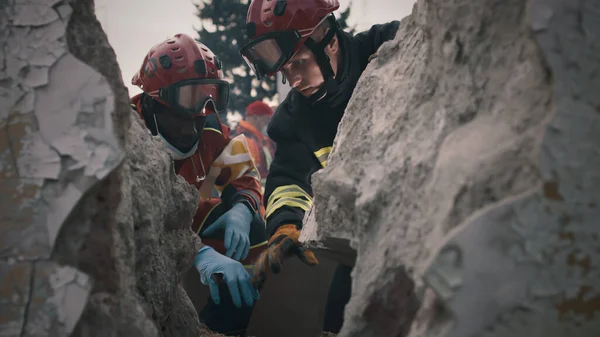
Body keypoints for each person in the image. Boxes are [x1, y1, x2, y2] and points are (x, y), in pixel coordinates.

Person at [239, 0, 400, 333]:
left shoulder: (392, 46)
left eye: (299, 62)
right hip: (367, 238)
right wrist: (285, 226)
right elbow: (287, 180)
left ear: (331, 42)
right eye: (286, 71)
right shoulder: (295, 119)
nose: (294, 81)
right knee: (340, 316)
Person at [130, 33, 267, 336]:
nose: (194, 126)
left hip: (188, 227)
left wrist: (243, 209)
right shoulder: (126, 137)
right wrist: (200, 253)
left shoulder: (209, 130)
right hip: (143, 242)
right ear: (153, 104)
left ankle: (219, 327)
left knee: (254, 229)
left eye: (204, 106)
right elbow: (137, 226)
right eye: (184, 111)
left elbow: (244, 177)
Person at [231, 101, 276, 187]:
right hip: (253, 194)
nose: (269, 124)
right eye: (267, 120)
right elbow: (248, 177)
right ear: (256, 118)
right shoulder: (244, 141)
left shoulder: (259, 140)